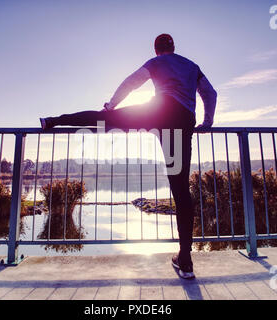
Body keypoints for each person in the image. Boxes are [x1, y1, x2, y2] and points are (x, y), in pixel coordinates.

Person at [40, 34, 217, 279]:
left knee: (104, 119)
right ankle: (185, 261)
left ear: (156, 50)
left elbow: (132, 82)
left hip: (158, 112)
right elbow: (210, 92)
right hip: (181, 123)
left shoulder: (156, 63)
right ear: (174, 47)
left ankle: (53, 121)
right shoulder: (190, 65)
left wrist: (112, 105)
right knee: (180, 189)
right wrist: (208, 121)